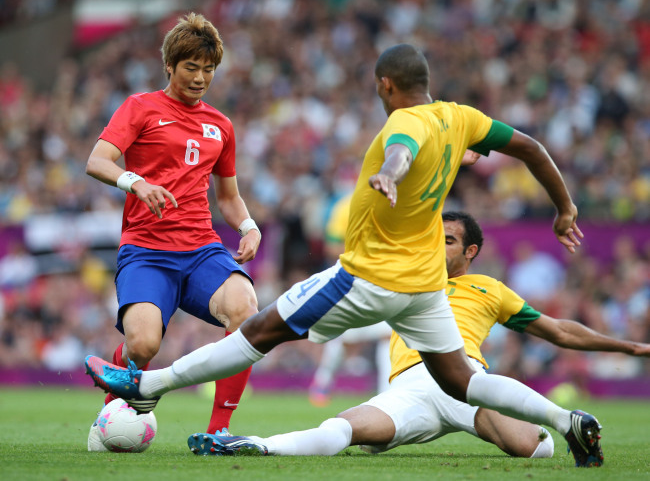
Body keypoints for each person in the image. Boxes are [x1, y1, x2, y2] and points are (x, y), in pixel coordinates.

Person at [85, 43, 602, 467]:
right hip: (424, 289)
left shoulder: (405, 122)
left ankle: (147, 384)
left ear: (385, 85)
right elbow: (531, 146)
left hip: (367, 276)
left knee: (260, 328)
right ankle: (566, 421)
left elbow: (400, 149)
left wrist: (389, 174)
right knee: (465, 380)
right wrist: (565, 207)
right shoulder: (460, 118)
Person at [187, 211, 650, 460]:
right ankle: (255, 445)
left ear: (470, 251)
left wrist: (626, 345)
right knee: (345, 430)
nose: (437, 246)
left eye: (448, 241)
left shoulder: (491, 289)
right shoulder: (404, 279)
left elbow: (559, 331)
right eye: (434, 238)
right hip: (408, 390)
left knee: (535, 451)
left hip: (464, 380)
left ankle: (560, 427)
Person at [84, 13, 261, 451]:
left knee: (245, 309)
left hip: (201, 249)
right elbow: (98, 160)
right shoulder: (139, 107)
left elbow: (229, 197)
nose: (200, 78)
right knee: (144, 344)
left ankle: (219, 431)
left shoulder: (221, 125)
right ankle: (114, 404)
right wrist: (137, 183)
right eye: (191, 68)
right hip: (146, 251)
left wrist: (248, 225)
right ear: (170, 65)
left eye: (208, 69)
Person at [309, 193, 392, 406]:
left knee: (387, 334)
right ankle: (323, 382)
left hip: (385, 279)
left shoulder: (396, 204)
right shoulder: (346, 206)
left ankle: (386, 393)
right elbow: (332, 246)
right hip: (352, 278)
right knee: (344, 336)